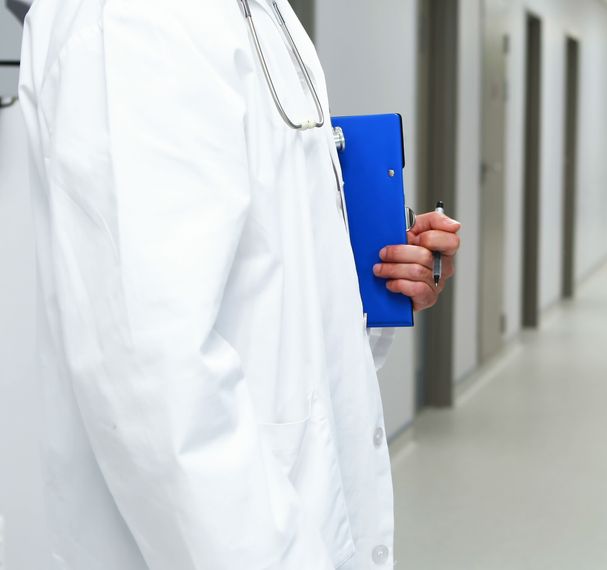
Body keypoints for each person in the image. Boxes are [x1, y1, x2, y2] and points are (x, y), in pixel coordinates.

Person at [17, 0, 459, 568]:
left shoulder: (269, 19)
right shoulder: (133, 17)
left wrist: (380, 286)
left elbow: (269, 288)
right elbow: (154, 377)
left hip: (294, 515)